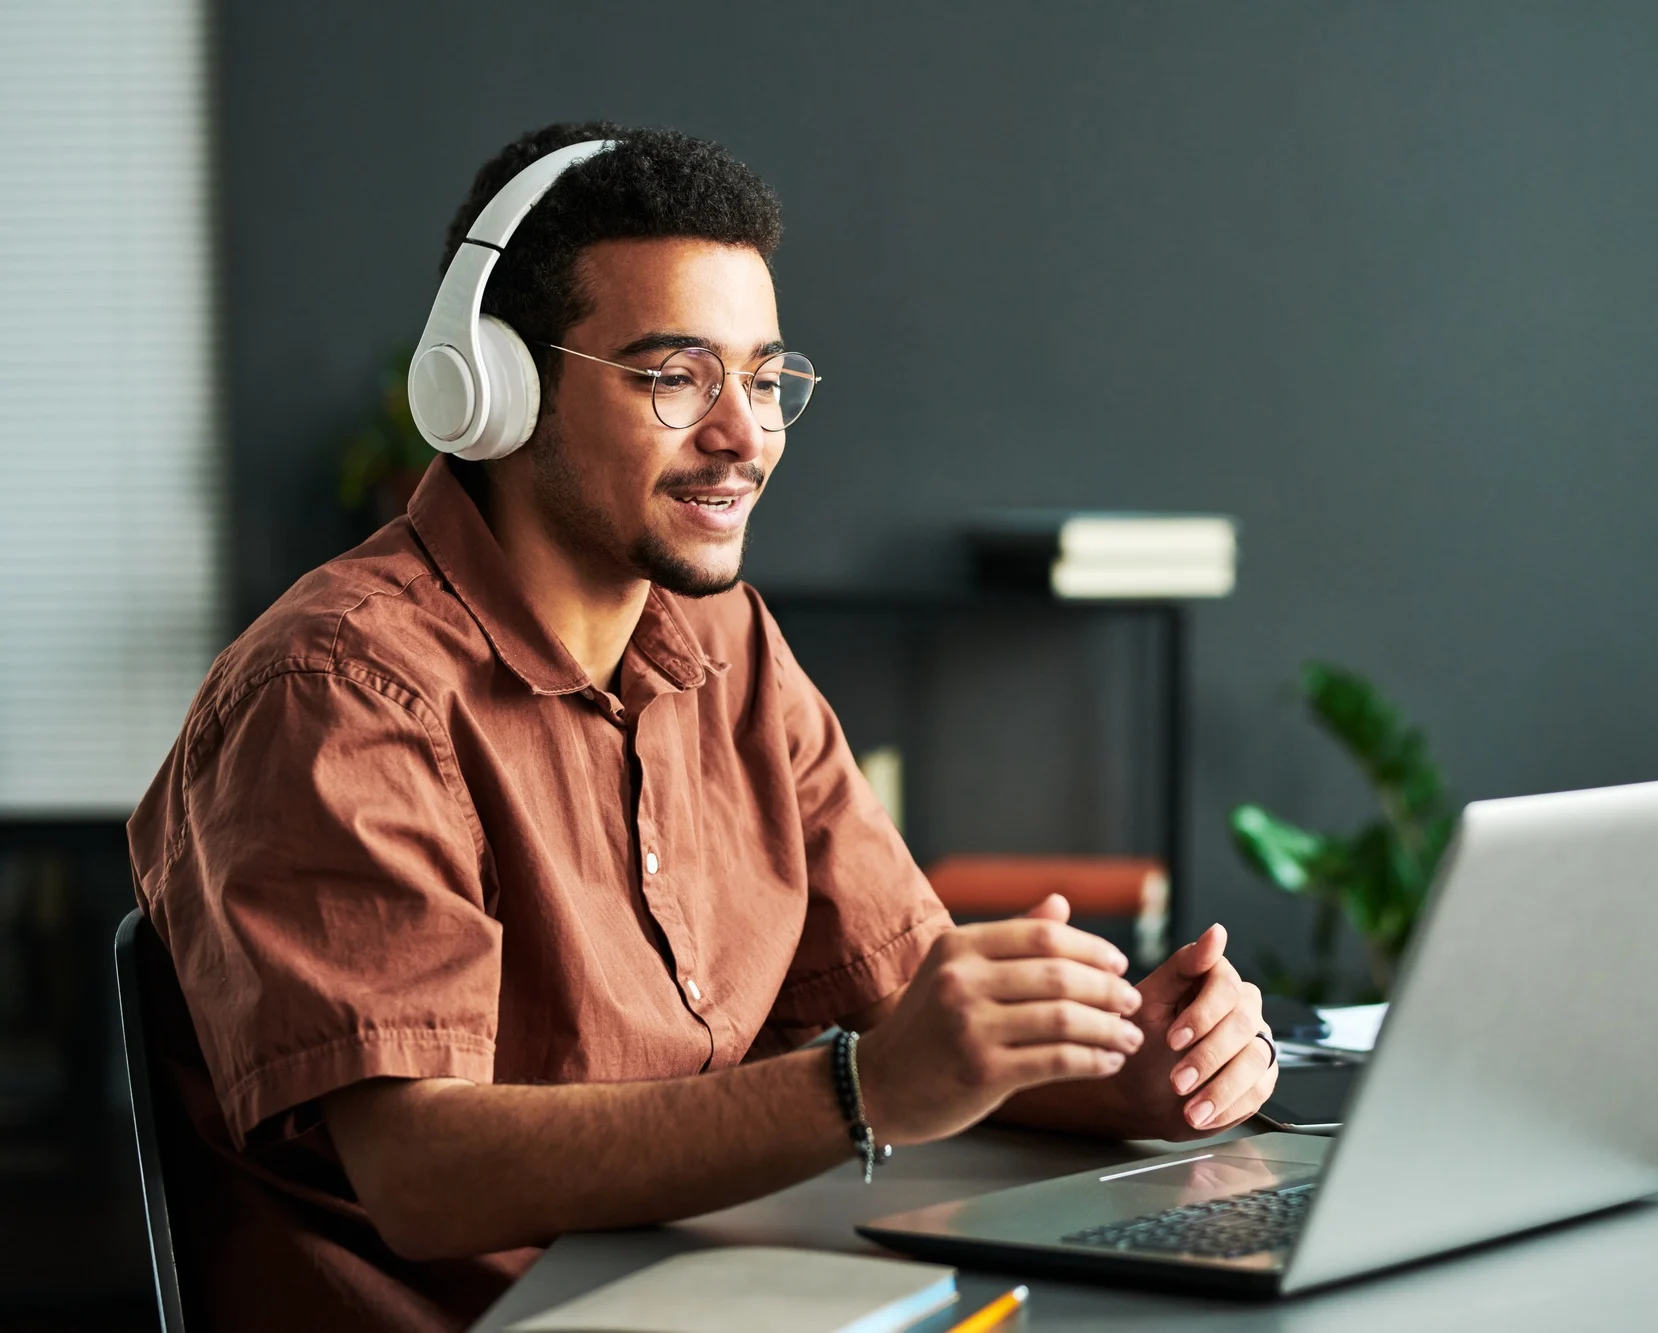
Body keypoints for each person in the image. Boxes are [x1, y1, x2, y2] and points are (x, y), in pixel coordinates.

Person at [127, 121, 1275, 1333]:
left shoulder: (727, 648)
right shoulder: (338, 689)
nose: (744, 432)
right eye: (676, 376)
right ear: (495, 389)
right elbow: (418, 1170)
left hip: (729, 1293)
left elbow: (916, 1015)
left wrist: (1134, 1073)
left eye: (765, 377)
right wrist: (862, 1089)